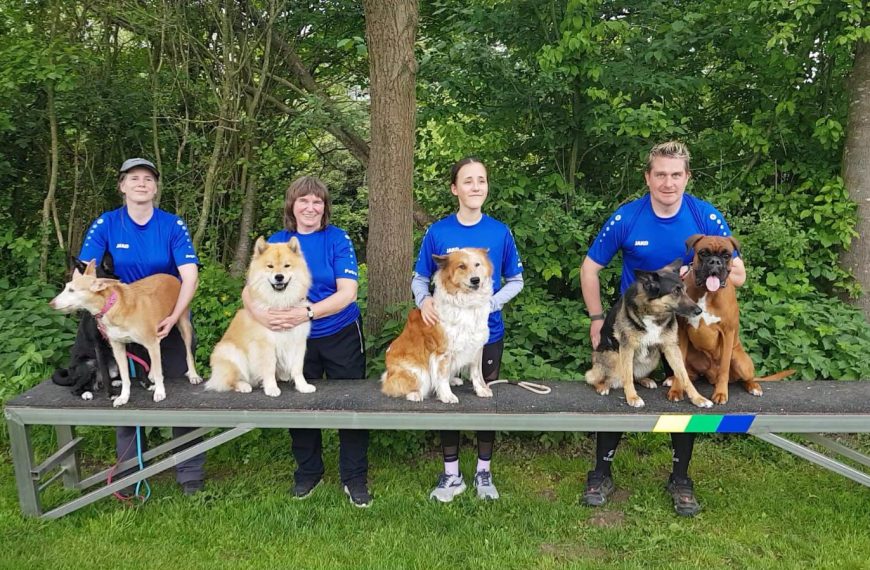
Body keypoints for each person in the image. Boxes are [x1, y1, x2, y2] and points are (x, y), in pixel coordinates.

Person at [579, 141, 746, 517]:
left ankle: (680, 479)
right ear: (648, 177)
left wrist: (707, 272)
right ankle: (601, 473)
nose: (668, 182)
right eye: (660, 174)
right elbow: (589, 269)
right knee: (618, 390)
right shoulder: (626, 217)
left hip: (681, 330)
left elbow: (740, 272)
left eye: (675, 174)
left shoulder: (705, 217)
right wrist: (595, 318)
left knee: (684, 398)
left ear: (687, 177)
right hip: (632, 326)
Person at [78, 157, 205, 496]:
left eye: (148, 178)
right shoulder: (106, 223)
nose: (141, 183)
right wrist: (99, 314)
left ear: (155, 187)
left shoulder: (172, 224)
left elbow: (189, 274)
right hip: (120, 315)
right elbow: (85, 273)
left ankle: (190, 475)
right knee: (125, 390)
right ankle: (130, 474)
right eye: (133, 178)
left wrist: (174, 314)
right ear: (122, 186)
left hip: (166, 309)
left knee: (182, 391)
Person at [243, 176, 370, 508]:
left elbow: (348, 293)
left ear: (325, 208)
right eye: (304, 200)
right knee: (298, 407)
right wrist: (259, 313)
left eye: (318, 201)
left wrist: (308, 312)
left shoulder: (337, 239)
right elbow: (250, 289)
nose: (311, 207)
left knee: (352, 406)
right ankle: (307, 473)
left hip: (339, 332)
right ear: (292, 205)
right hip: (290, 338)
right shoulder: (277, 241)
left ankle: (354, 477)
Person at [412, 157, 524, 502]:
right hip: (445, 331)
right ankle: (451, 475)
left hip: (486, 331)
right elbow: (419, 277)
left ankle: (484, 472)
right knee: (446, 395)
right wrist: (423, 301)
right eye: (468, 181)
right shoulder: (438, 232)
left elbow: (515, 280)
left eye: (481, 180)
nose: (476, 187)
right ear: (455, 189)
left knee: (484, 398)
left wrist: (488, 305)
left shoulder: (499, 232)